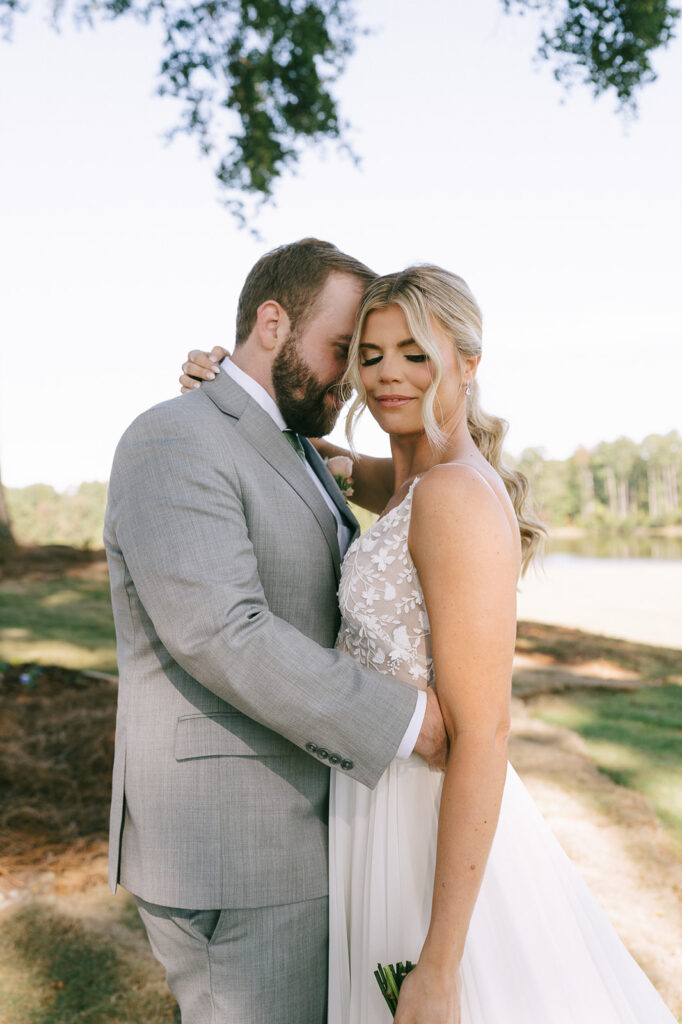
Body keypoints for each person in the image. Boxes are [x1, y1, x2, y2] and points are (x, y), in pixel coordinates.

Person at [183, 264, 677, 1023]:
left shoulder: (451, 495)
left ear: (468, 363)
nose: (388, 376)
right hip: (375, 806)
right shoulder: (417, 478)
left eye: (415, 353)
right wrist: (233, 389)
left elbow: (485, 732)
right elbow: (323, 465)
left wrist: (442, 962)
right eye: (370, 355)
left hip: (421, 832)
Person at [104, 239, 447, 1024]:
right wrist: (404, 719)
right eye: (343, 350)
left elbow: (443, 491)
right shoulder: (174, 437)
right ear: (270, 324)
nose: (357, 378)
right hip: (233, 846)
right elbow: (221, 633)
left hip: (306, 832)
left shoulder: (292, 448)